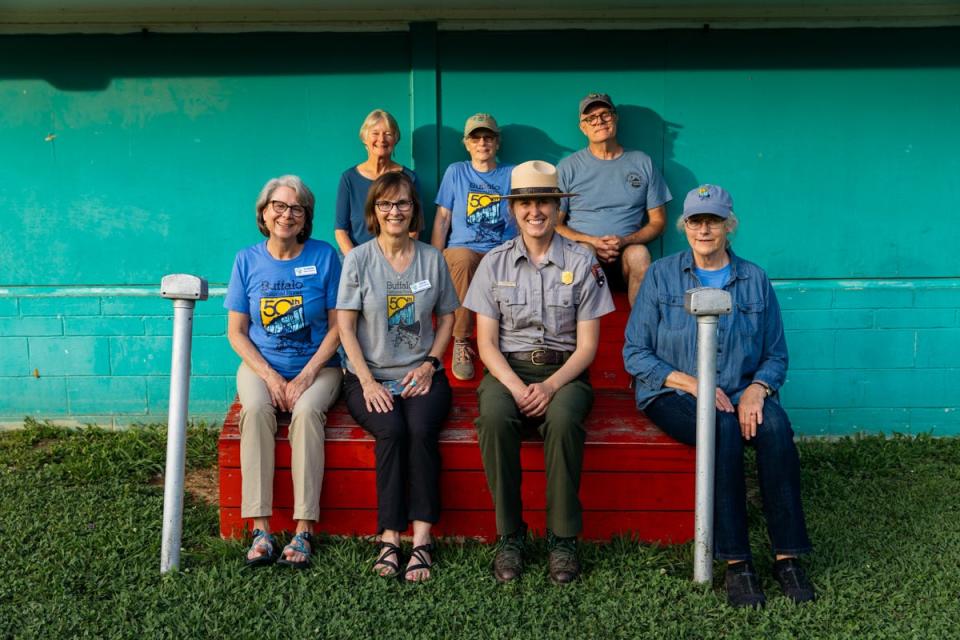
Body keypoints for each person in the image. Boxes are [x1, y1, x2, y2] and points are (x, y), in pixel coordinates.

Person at [623, 184, 815, 608]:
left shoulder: (755, 279)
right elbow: (635, 353)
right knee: (721, 429)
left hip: (739, 390)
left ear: (730, 226)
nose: (704, 229)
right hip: (672, 389)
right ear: (684, 227)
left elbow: (775, 353)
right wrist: (695, 385)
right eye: (695, 221)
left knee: (778, 428)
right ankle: (737, 562)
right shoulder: (661, 275)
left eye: (713, 221)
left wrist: (757, 390)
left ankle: (787, 557)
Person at [464, 160, 615, 585]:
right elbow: (486, 344)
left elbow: (587, 347)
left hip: (563, 372)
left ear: (556, 208)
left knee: (565, 419)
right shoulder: (493, 263)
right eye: (526, 202)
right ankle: (510, 535)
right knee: (494, 417)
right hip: (507, 369)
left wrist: (548, 386)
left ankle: (562, 538)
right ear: (513, 209)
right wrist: (515, 386)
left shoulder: (583, 262)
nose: (535, 211)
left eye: (544, 201)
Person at [337, 171, 459, 582]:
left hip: (421, 374)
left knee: (422, 428)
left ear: (414, 211)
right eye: (386, 204)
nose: (395, 211)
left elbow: (448, 318)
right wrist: (367, 381)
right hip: (367, 376)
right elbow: (345, 326)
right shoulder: (358, 259)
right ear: (374, 211)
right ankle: (390, 536)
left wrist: (431, 364)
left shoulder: (432, 258)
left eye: (403, 203)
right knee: (391, 430)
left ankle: (422, 539)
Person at [225, 175, 343, 569]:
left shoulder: (324, 256)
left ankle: (303, 528)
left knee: (308, 414)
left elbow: (339, 325)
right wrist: (272, 377)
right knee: (256, 412)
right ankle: (261, 529)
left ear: (306, 217)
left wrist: (307, 375)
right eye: (278, 205)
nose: (286, 215)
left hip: (318, 367)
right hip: (261, 367)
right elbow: (237, 333)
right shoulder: (247, 259)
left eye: (296, 208)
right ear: (264, 211)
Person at [556, 92, 672, 306]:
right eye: (590, 118)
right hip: (583, 251)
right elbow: (555, 224)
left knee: (640, 255)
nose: (599, 121)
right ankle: (578, 335)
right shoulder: (568, 167)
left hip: (627, 252)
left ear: (615, 117)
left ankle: (639, 332)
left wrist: (625, 241)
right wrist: (592, 241)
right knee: (584, 253)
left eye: (605, 114)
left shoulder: (642, 162)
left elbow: (658, 222)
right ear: (583, 127)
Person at [431, 113, 516, 381]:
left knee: (502, 261)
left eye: (488, 137)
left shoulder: (511, 173)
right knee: (464, 260)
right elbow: (443, 218)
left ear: (497, 142)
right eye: (476, 138)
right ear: (466, 143)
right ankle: (461, 340)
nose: (482, 143)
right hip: (462, 249)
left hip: (499, 247)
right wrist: (434, 260)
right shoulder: (456, 171)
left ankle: (507, 346)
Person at [334, 109, 421, 255]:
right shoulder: (349, 178)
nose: (381, 139)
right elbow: (340, 230)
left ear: (395, 139)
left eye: (388, 134)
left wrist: (391, 262)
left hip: (397, 257)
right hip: (356, 256)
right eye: (375, 133)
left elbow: (414, 229)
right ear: (364, 138)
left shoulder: (409, 178)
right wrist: (356, 262)